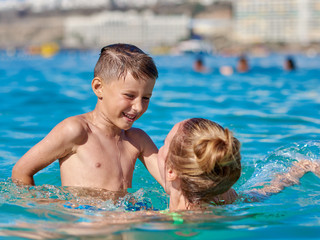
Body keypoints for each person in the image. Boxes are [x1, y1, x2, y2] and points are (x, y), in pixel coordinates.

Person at [11, 43, 161, 197]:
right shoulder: (77, 131)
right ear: (98, 87)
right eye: (129, 95)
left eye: (146, 98)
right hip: (84, 217)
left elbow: (170, 181)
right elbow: (21, 171)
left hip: (124, 215)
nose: (138, 106)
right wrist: (43, 208)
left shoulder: (138, 140)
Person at [157, 118, 320, 211]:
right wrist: (302, 167)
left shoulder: (154, 222)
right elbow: (268, 189)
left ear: (171, 170)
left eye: (164, 143)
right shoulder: (225, 197)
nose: (160, 148)